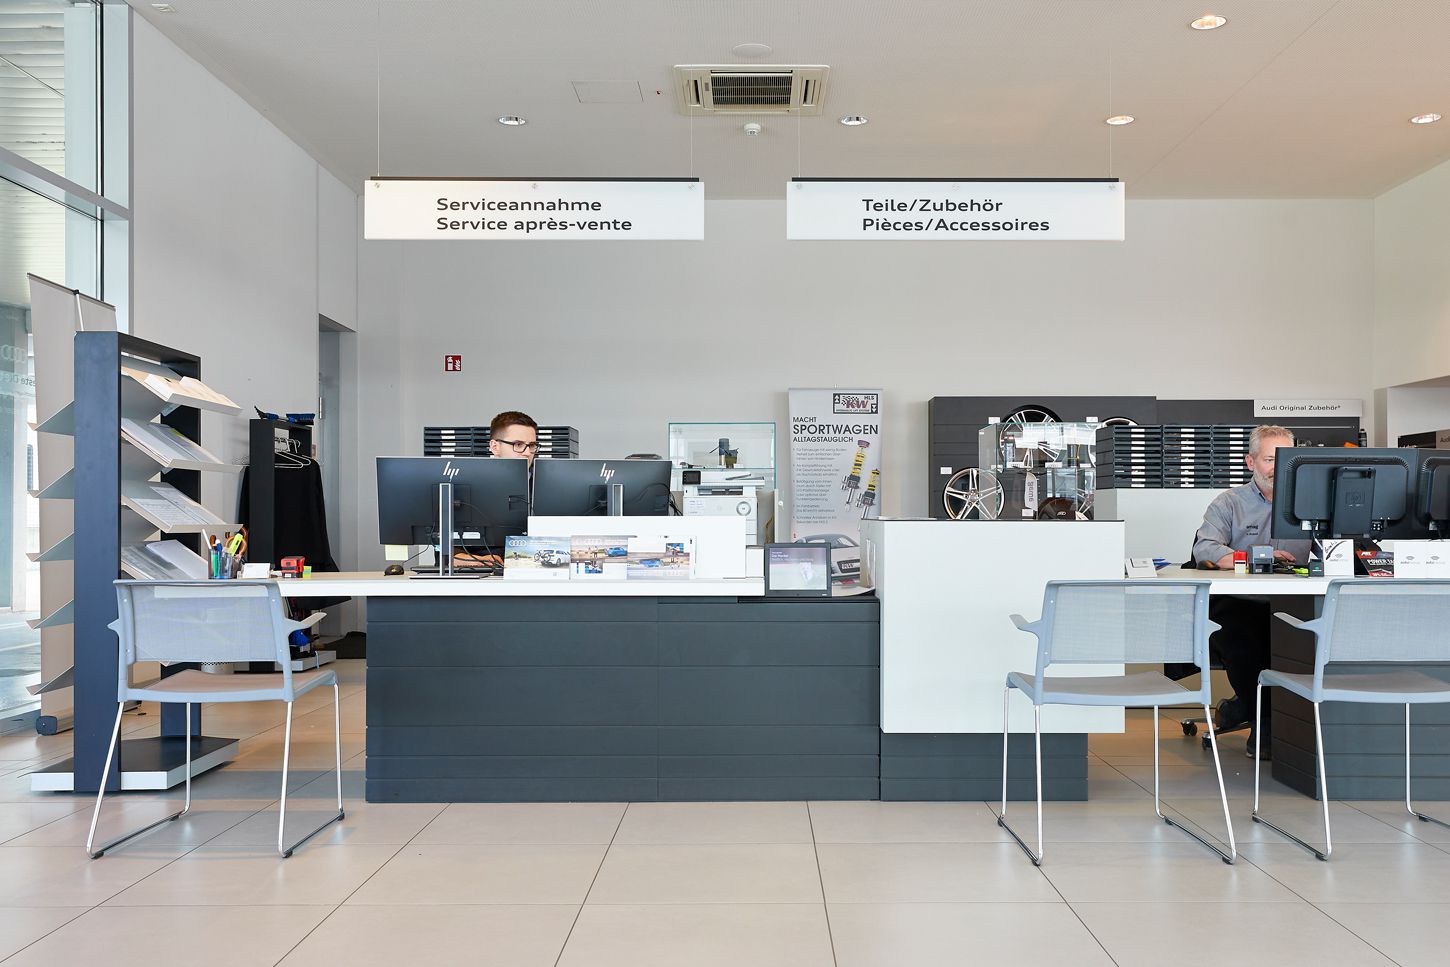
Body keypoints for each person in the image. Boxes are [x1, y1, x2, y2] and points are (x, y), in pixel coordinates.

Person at [1192, 424, 1312, 758]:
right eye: (1270, 460)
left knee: (1307, 643)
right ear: (1251, 462)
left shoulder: (1313, 502)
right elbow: (1205, 549)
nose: (1278, 469)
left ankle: (1247, 710)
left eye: (1286, 461)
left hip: (1300, 601)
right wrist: (1259, 557)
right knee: (1245, 642)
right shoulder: (1229, 503)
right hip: (1240, 602)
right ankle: (1264, 721)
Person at [453, 410, 538, 570]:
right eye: (518, 445)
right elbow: (446, 555)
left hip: (539, 573)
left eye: (532, 445)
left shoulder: (548, 486)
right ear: (495, 447)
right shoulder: (467, 488)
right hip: (484, 575)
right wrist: (479, 561)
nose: (527, 453)